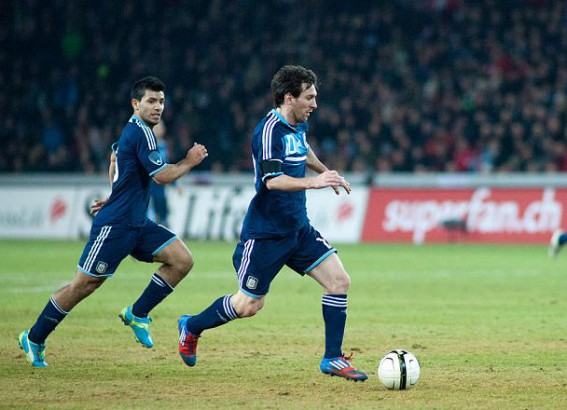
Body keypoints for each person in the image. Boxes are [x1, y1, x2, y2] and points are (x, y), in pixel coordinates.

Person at [177, 65, 368, 381]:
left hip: (298, 229)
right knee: (248, 305)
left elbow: (303, 150)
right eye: (309, 97)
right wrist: (314, 182)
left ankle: (332, 358)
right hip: (266, 235)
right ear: (289, 98)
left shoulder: (298, 126)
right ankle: (192, 326)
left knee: (339, 281)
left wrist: (325, 171)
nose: (315, 104)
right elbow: (272, 181)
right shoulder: (268, 132)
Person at [18, 76, 208, 367]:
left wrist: (115, 195)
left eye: (161, 101)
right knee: (84, 285)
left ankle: (138, 314)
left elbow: (115, 161)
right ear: (135, 104)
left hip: (136, 223)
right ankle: (34, 337)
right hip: (115, 226)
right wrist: (189, 161)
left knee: (182, 260)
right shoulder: (142, 133)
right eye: (151, 101)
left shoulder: (135, 132)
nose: (158, 107)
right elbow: (161, 176)